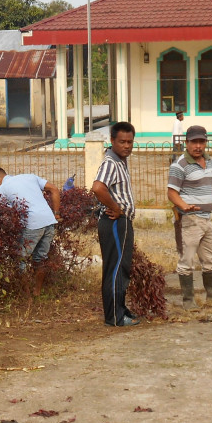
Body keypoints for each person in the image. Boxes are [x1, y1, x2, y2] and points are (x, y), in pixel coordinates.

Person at [166, 125, 212, 308]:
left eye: (201, 142)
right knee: (188, 260)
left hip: (206, 219)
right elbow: (171, 193)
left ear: (205, 143)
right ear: (187, 143)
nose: (198, 146)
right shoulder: (180, 165)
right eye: (194, 142)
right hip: (190, 220)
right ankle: (188, 301)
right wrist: (184, 206)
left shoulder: (209, 162)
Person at [91, 121, 139, 327]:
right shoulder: (111, 162)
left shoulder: (120, 161)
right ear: (112, 141)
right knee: (116, 269)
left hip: (122, 222)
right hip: (114, 221)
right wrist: (116, 208)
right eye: (122, 142)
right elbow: (98, 187)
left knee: (121, 268)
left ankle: (120, 309)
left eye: (130, 142)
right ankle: (115, 317)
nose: (127, 146)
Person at [0, 167, 61, 296]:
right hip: (49, 221)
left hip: (32, 225)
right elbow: (54, 189)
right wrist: (56, 214)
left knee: (20, 260)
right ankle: (37, 291)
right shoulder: (30, 176)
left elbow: (6, 216)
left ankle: (26, 295)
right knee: (40, 259)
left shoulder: (1, 191)